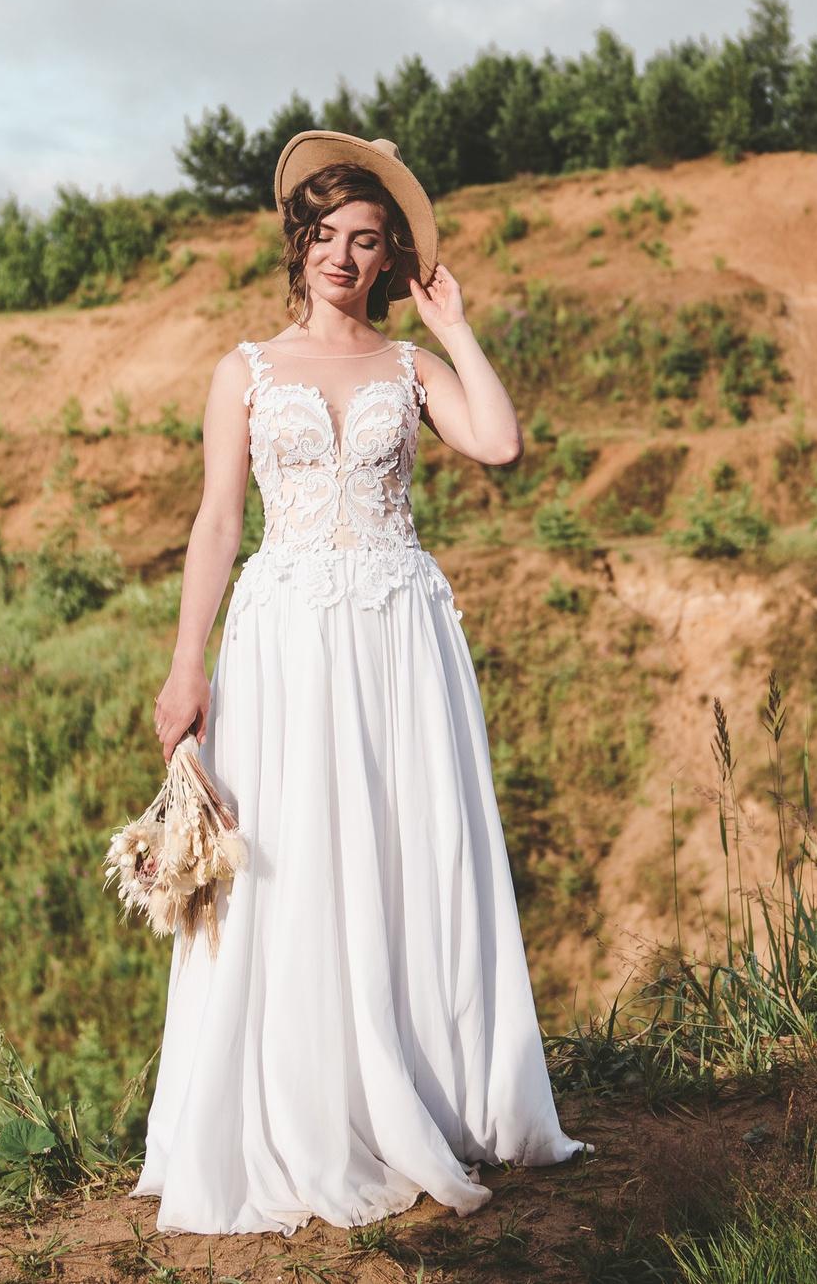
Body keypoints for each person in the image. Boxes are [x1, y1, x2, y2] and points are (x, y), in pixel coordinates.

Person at [133, 131, 581, 1234]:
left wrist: (454, 325)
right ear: (300, 244)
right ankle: (301, 1105)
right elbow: (217, 523)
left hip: (397, 631)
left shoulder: (409, 366)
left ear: (390, 259)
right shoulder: (243, 369)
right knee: (290, 856)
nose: (343, 255)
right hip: (283, 636)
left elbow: (500, 442)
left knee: (407, 842)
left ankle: (426, 1089)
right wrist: (186, 664)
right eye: (327, 234)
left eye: (367, 240)